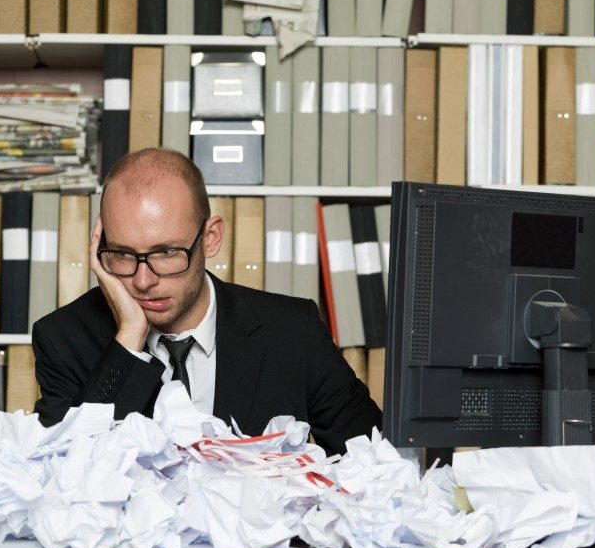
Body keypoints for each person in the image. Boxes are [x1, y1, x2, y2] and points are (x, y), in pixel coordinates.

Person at [32, 149, 382, 454]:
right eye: (122, 254)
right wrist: (129, 339)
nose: (142, 281)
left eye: (167, 252)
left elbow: (380, 462)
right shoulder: (62, 339)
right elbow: (66, 483)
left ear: (211, 238)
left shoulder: (293, 331)